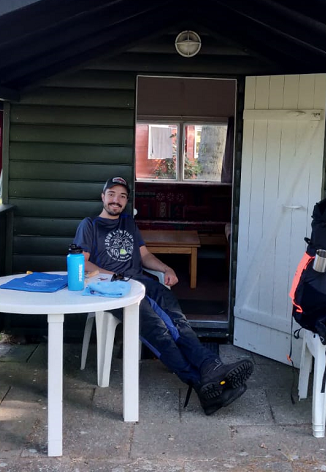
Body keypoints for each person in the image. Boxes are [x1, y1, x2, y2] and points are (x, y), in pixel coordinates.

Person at [73, 176, 253, 415]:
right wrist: (117, 277)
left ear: (126, 201)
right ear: (103, 197)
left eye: (122, 196)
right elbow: (82, 263)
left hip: (143, 283)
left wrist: (167, 268)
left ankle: (210, 375)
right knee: (158, 329)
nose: (117, 200)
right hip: (112, 291)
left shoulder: (128, 223)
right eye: (112, 194)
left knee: (178, 321)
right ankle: (204, 378)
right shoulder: (89, 225)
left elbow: (145, 255)